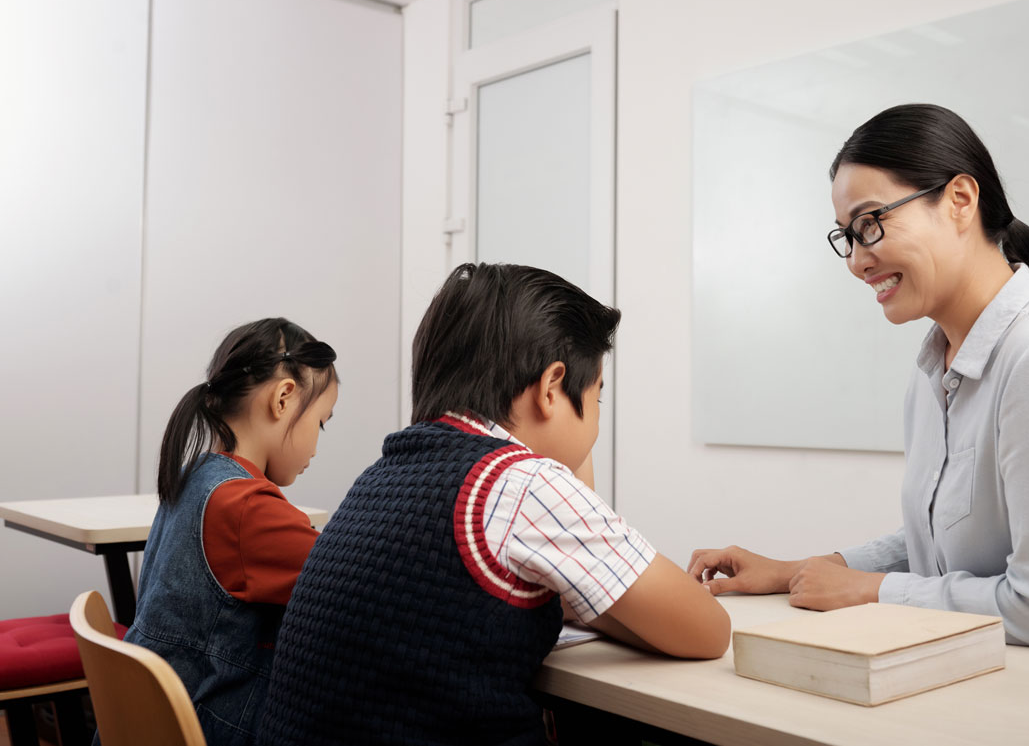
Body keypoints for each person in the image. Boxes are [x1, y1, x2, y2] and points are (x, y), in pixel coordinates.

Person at [689, 104, 1029, 656]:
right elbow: (949, 543)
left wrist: (870, 590)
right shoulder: (937, 365)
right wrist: (801, 572)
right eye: (846, 237)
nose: (857, 261)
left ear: (960, 200)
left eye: (870, 223)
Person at [256, 263, 730, 746]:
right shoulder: (520, 482)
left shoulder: (384, 475)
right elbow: (709, 630)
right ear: (552, 388)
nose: (598, 420)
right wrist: (572, 457)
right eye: (597, 396)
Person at [122, 318, 338, 746]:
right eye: (321, 423)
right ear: (283, 399)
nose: (316, 444)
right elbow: (353, 582)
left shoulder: (194, 475)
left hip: (150, 723)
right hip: (212, 727)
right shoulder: (246, 507)